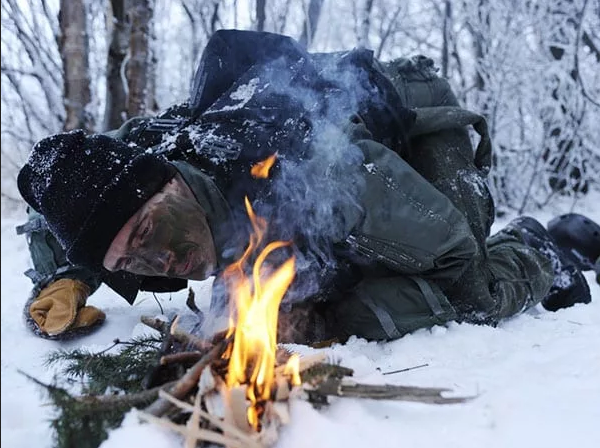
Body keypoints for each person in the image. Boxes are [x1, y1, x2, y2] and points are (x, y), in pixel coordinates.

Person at [16, 30, 597, 343]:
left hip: (410, 127)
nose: (157, 261)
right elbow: (57, 201)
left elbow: (451, 253)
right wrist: (68, 274)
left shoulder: (304, 169)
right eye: (129, 259)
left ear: (170, 184)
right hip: (325, 173)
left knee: (471, 296)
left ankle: (545, 246)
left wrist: (329, 314)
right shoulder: (147, 159)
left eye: (146, 231)